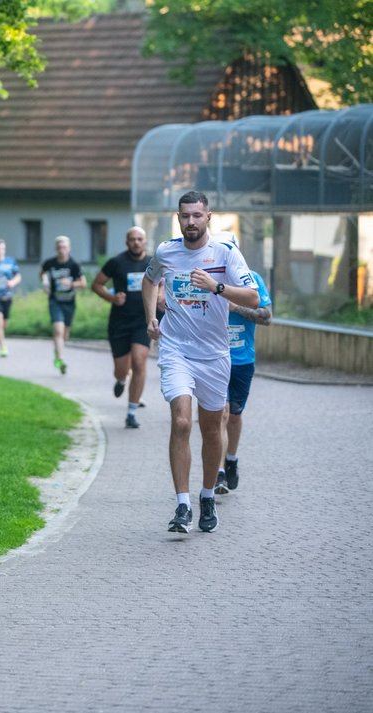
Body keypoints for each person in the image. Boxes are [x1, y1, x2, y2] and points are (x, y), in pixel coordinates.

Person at [142, 191, 259, 534]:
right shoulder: (166, 251)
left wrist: (216, 286)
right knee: (181, 422)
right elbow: (149, 280)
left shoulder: (225, 253)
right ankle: (183, 504)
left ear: (208, 217)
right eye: (185, 216)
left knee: (211, 429)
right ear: (178, 218)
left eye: (197, 215)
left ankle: (207, 495)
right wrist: (151, 317)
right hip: (176, 348)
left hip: (214, 354)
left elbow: (253, 297)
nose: (190, 221)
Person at [211, 237, 273, 494]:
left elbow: (266, 317)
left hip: (242, 360)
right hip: (214, 358)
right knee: (221, 413)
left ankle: (231, 459)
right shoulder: (208, 280)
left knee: (234, 415)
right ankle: (218, 473)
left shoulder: (252, 280)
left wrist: (236, 307)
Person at [91, 226, 151, 428]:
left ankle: (131, 413)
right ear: (127, 242)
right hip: (120, 322)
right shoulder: (116, 262)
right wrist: (112, 297)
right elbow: (96, 284)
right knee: (121, 370)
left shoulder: (152, 263)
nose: (136, 242)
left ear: (145, 241)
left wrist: (160, 297)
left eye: (139, 239)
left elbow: (163, 284)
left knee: (139, 361)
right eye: (132, 239)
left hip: (142, 321)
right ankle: (121, 380)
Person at [40, 235, 86, 373]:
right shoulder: (50, 263)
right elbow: (42, 273)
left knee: (65, 335)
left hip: (69, 302)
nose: (62, 250)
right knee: (58, 330)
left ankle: (57, 353)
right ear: (56, 248)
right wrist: (45, 283)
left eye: (64, 247)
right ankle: (61, 360)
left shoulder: (74, 265)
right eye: (59, 247)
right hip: (55, 300)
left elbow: (83, 283)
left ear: (69, 248)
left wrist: (71, 283)